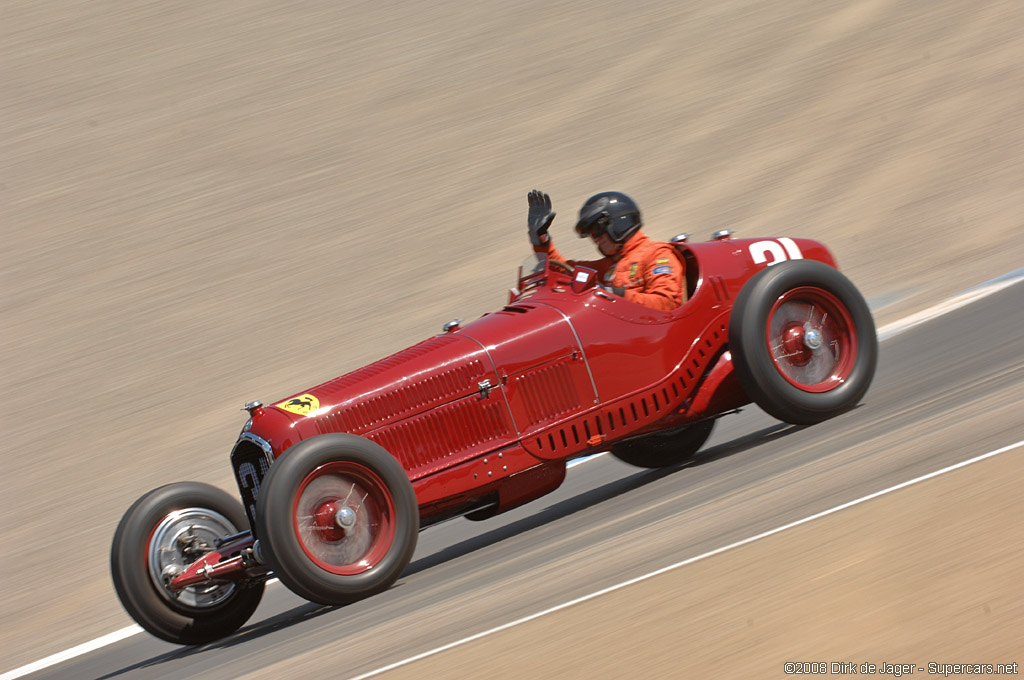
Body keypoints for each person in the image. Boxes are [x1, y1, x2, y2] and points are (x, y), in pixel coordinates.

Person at [526, 190, 686, 310]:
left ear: (618, 224)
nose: (595, 239)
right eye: (591, 235)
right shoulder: (611, 265)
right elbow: (563, 270)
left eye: (596, 231)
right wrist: (540, 238)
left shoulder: (657, 254)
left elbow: (666, 303)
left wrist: (617, 295)